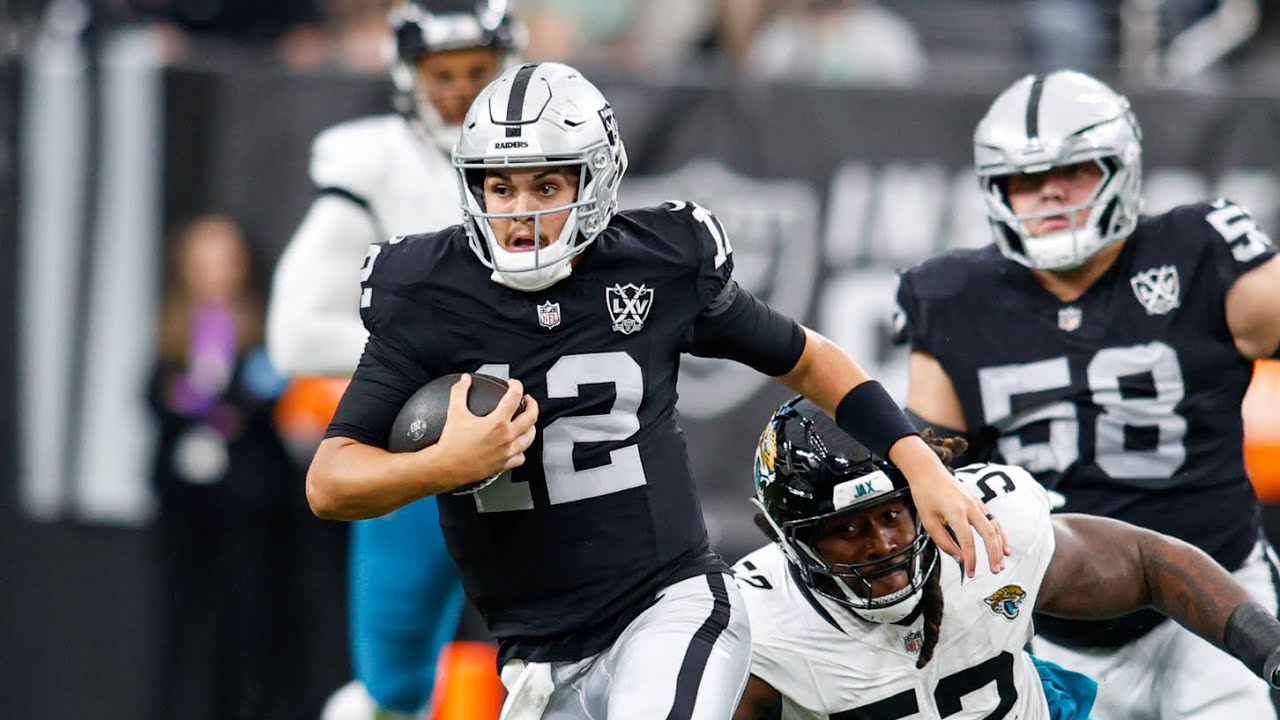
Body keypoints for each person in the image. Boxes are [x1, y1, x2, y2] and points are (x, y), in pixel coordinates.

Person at [306, 61, 1008, 720]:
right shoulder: (428, 292)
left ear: (597, 181)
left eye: (547, 186)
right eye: (501, 186)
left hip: (668, 605)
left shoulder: (657, 263)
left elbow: (807, 358)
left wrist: (917, 463)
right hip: (535, 654)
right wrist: (442, 467)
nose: (519, 211)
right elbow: (330, 482)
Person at [893, 69, 1280, 718]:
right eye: (1025, 180)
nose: (1050, 194)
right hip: (1049, 620)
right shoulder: (952, 296)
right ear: (995, 191)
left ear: (1119, 168)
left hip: (1216, 599)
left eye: (1074, 172)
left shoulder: (1200, 250)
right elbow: (930, 470)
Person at [264, 2, 520, 717]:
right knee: (394, 685)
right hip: (423, 447)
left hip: (539, 446)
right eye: (444, 73)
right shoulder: (378, 161)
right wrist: (436, 351)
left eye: (478, 70)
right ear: (410, 74)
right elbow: (296, 331)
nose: (463, 90)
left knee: (566, 658)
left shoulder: (551, 148)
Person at [731, 397, 1280, 719]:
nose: (880, 545)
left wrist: (1270, 646)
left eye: (890, 515)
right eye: (845, 529)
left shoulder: (991, 529)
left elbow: (1147, 562)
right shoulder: (763, 627)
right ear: (788, 537)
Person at [147, 214, 300, 719]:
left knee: (250, 627)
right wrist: (186, 402)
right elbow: (153, 393)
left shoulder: (265, 327)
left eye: (225, 257)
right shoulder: (171, 326)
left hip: (249, 506)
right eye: (203, 258)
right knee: (187, 626)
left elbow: (273, 394)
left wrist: (231, 408)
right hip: (187, 504)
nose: (215, 270)